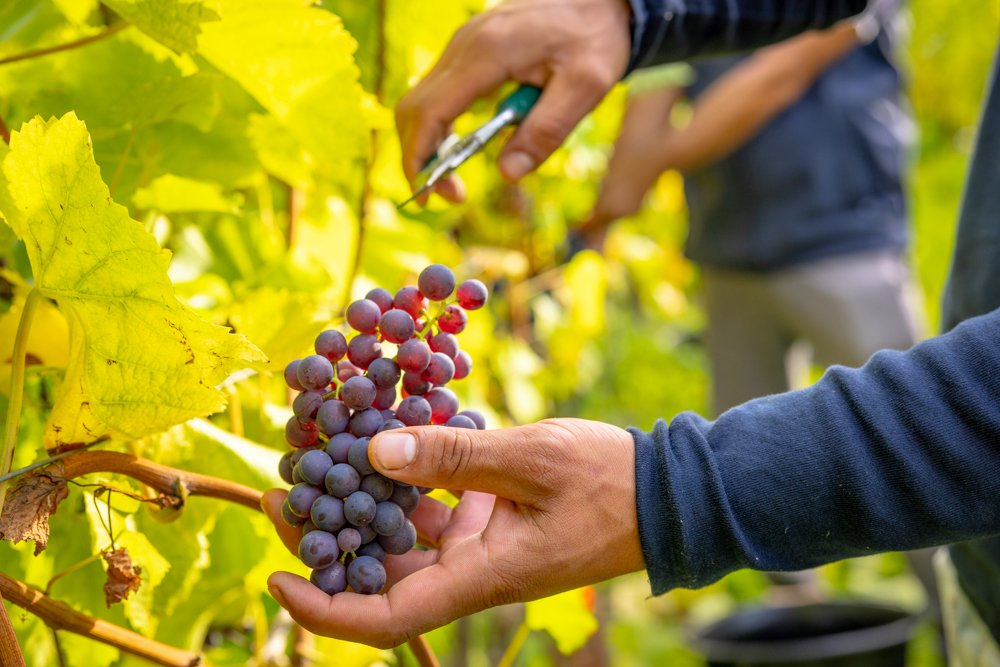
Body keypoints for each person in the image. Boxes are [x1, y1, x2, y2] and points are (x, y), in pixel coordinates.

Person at [260, 0, 1000, 657]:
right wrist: (628, 17)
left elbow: (792, 62)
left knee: (910, 467)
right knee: (770, 426)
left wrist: (670, 494)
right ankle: (797, 622)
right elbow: (658, 92)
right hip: (731, 247)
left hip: (842, 239)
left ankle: (929, 604)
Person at [582, 19, 923, 418]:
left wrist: (652, 163)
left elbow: (775, 80)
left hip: (840, 237)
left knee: (906, 425)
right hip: (730, 251)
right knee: (743, 456)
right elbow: (657, 83)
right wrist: (605, 210)